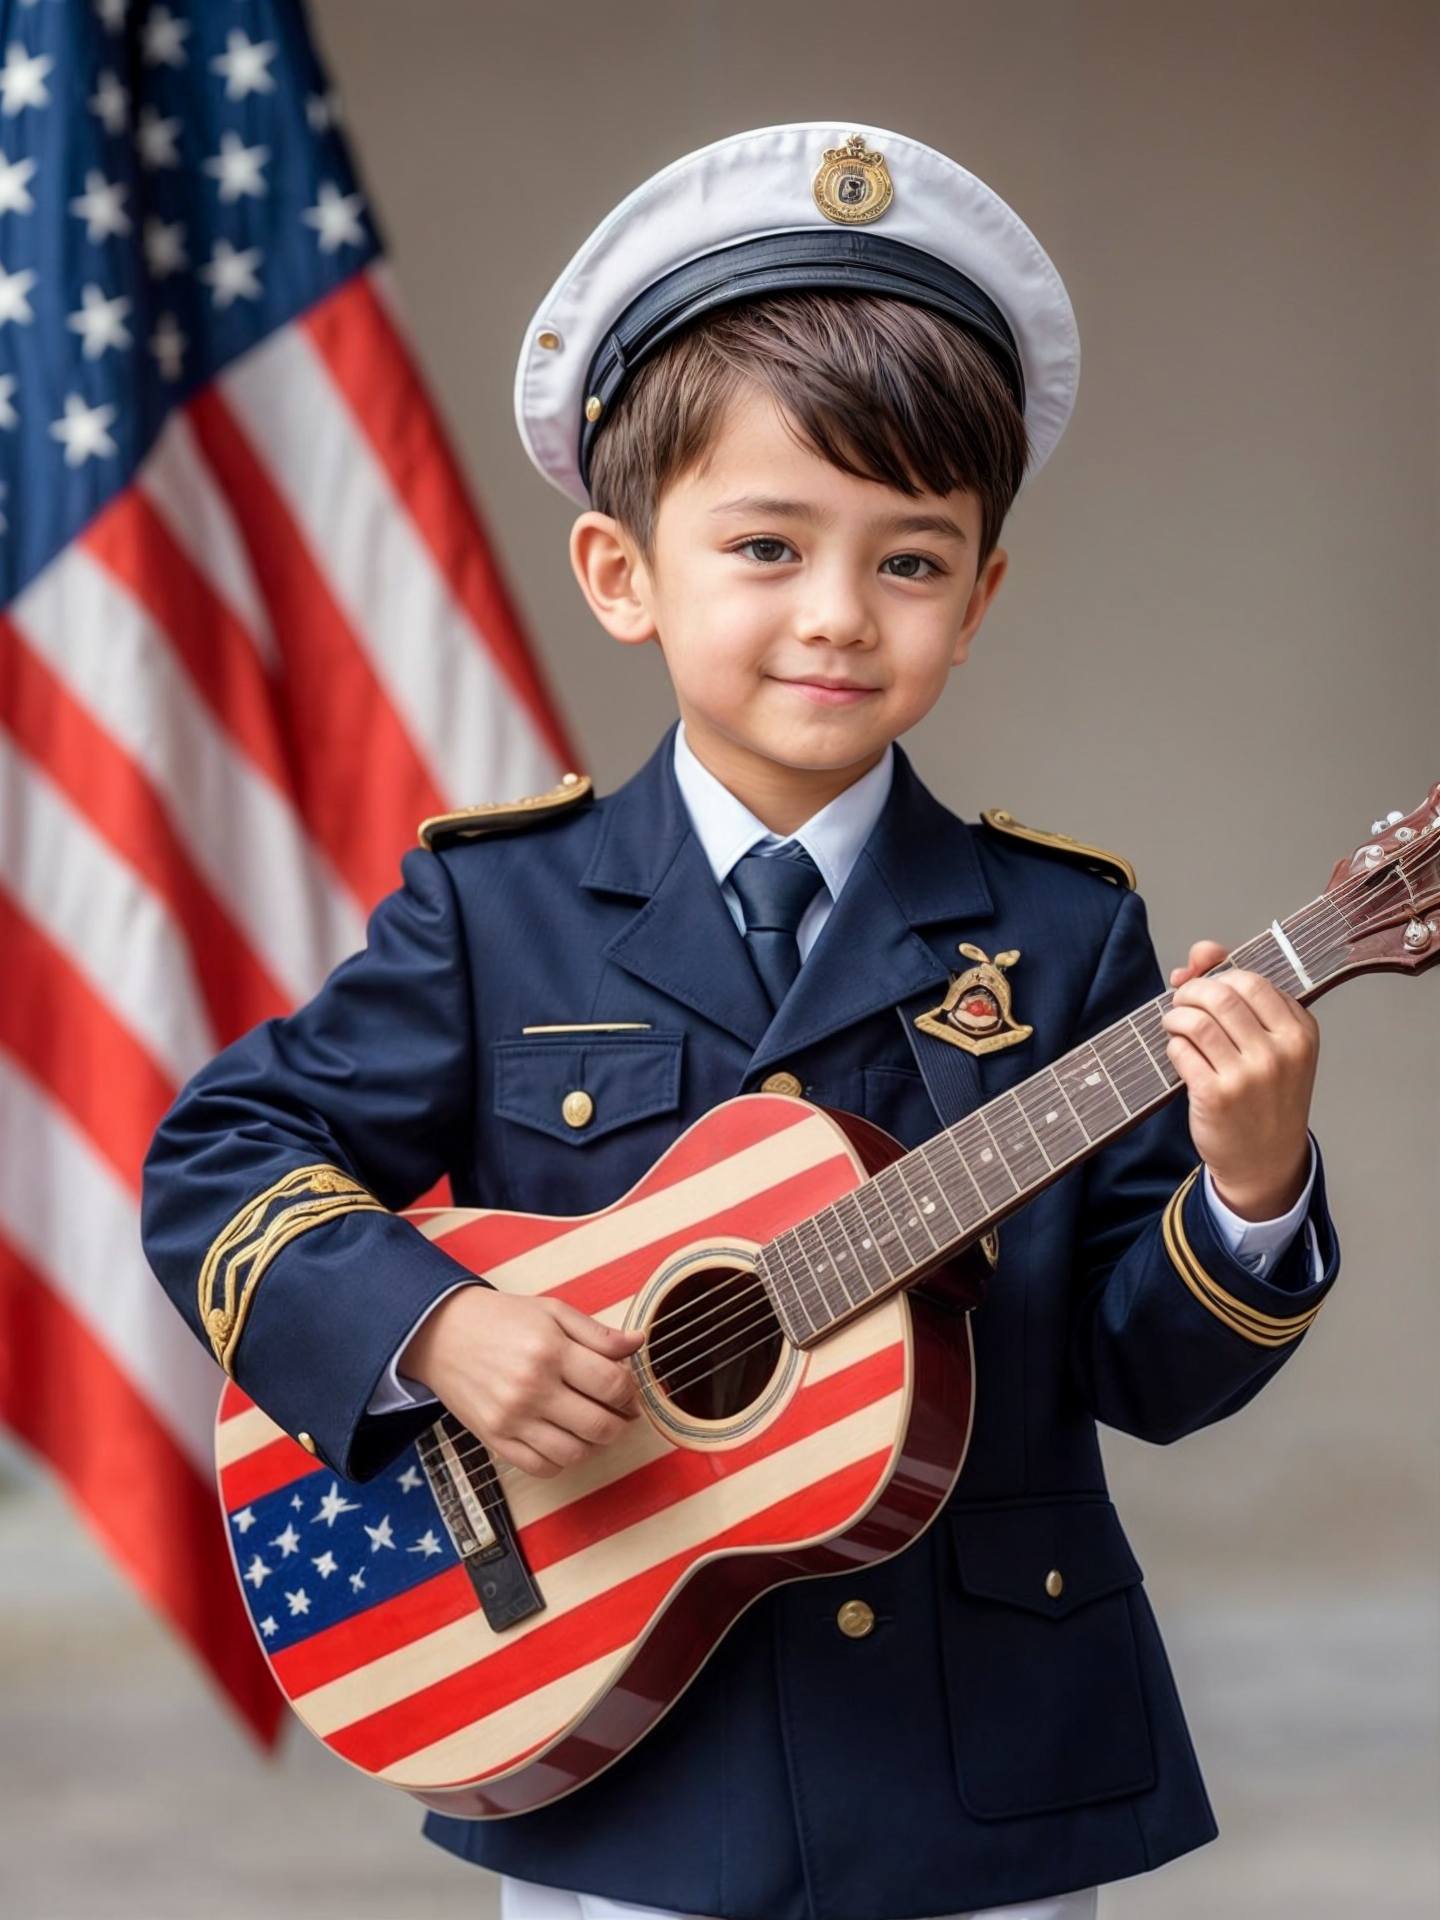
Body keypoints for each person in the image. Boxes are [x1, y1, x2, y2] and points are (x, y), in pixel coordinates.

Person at [141, 123, 1339, 1920]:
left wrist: (1250, 1187)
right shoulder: (500, 909)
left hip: (979, 1771)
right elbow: (217, 1156)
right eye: (768, 545)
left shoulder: (1064, 929)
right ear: (624, 574)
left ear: (983, 595)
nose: (839, 617)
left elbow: (1146, 1372)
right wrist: (435, 1328)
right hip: (608, 1741)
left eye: (912, 563)